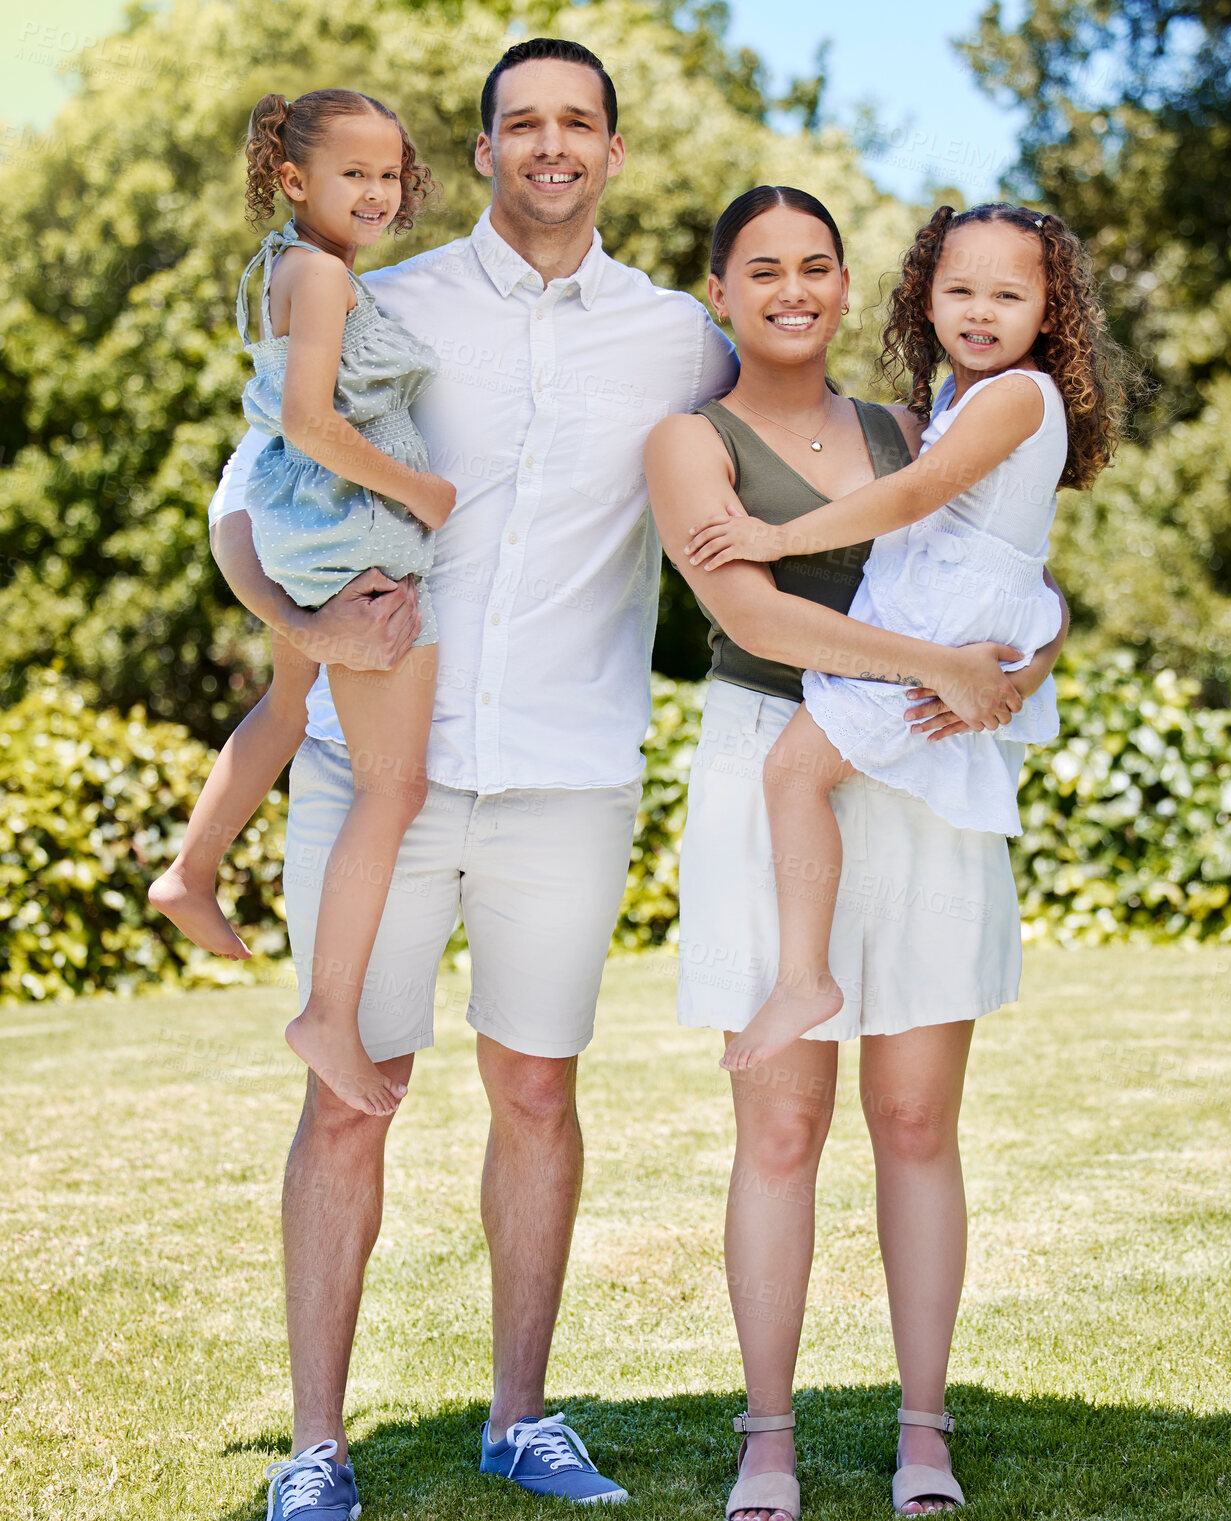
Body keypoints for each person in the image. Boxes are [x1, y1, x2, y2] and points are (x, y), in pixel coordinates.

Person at [205, 39, 738, 1520]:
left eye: (577, 124)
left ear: (612, 153)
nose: (549, 146)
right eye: (521, 125)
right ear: (486, 148)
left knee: (535, 1091)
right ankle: (317, 1447)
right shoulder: (389, 298)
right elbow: (242, 499)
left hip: (568, 775)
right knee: (350, 1100)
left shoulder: (677, 340)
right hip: (374, 762)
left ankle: (521, 1417)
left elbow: (796, 435)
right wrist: (305, 627)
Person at [644, 187, 1094, 1518]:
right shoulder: (688, 440)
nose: (792, 289)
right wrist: (944, 667)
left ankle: (921, 1432)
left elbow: (1001, 559)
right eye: (761, 269)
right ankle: (767, 1438)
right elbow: (756, 613)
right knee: (781, 1126)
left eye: (816, 266)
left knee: (913, 1118)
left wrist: (1022, 663)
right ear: (717, 291)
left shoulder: (924, 420)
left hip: (916, 772)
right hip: (778, 766)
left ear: (851, 288)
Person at [683, 201, 1121, 1073]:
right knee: (800, 775)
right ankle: (811, 977)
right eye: (959, 289)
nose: (980, 312)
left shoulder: (1016, 397)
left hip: (939, 621)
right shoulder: (959, 398)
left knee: (794, 770)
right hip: (941, 619)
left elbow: (913, 497)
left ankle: (806, 978)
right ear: (925, 299)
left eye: (1008, 295)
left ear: (1050, 311)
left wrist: (776, 538)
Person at [150, 89, 456, 1119]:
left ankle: (192, 871)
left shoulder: (285, 266)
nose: (377, 191)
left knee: (290, 709)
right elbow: (310, 421)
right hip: (353, 540)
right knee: (393, 789)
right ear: (292, 179)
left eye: (388, 173)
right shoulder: (320, 275)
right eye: (352, 173)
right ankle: (329, 1012)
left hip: (304, 532)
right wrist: (420, 494)